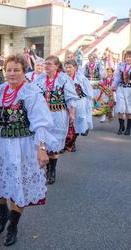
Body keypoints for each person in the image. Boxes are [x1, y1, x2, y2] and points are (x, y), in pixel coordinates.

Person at [0, 54, 54, 247]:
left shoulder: (30, 93)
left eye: (16, 70)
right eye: (9, 70)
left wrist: (42, 148)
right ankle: (3, 216)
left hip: (21, 146)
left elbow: (40, 122)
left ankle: (13, 226)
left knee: (17, 185)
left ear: (24, 71)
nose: (12, 74)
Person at [34, 55, 78, 184]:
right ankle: (45, 167)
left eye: (49, 64)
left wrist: (72, 113)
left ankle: (52, 170)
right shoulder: (40, 78)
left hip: (58, 115)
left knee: (55, 143)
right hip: (42, 115)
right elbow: (33, 94)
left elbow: (71, 97)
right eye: (45, 64)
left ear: (57, 66)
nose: (46, 66)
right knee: (43, 142)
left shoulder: (64, 79)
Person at [64, 60, 93, 152]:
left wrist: (88, 103)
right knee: (65, 123)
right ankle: (65, 142)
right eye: (66, 67)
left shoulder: (81, 78)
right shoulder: (62, 78)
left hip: (79, 102)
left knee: (76, 123)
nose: (67, 69)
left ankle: (72, 142)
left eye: (70, 67)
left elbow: (88, 91)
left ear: (75, 68)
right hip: (66, 103)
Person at [112, 50, 131, 135]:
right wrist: (113, 86)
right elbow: (117, 77)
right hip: (121, 88)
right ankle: (121, 127)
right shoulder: (121, 66)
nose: (128, 58)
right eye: (126, 56)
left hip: (130, 90)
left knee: (129, 109)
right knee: (120, 108)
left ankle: (128, 129)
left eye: (129, 57)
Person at [84, 53, 104, 122]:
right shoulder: (86, 65)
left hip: (96, 82)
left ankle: (102, 115)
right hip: (88, 83)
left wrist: (101, 83)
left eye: (92, 58)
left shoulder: (98, 65)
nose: (91, 59)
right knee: (89, 99)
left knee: (97, 99)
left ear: (95, 58)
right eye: (90, 58)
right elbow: (84, 75)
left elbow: (101, 74)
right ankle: (90, 114)